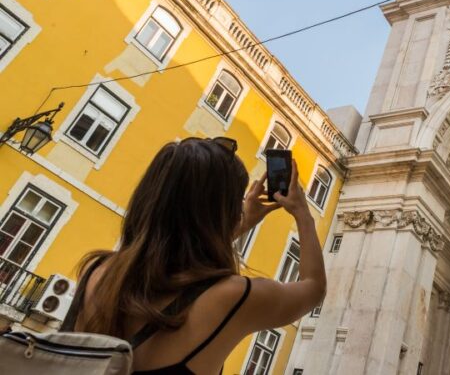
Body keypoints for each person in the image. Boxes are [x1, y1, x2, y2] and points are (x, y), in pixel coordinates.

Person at [67, 136, 326, 374]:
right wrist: (302, 213)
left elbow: (178, 247)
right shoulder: (232, 297)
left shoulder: (98, 270)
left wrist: (243, 223)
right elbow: (313, 287)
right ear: (222, 212)